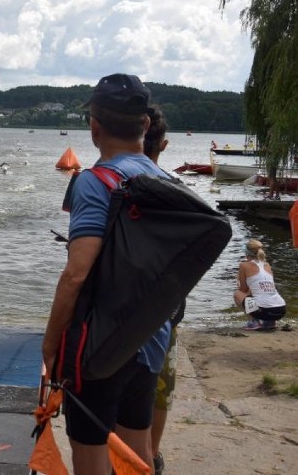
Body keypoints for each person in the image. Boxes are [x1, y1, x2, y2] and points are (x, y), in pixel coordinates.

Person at [43, 73, 171, 474]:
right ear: (145, 125)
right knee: (137, 455)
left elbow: (76, 274)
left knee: (91, 453)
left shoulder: (95, 183)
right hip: (150, 338)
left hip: (95, 347)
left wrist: (50, 346)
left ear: (94, 127)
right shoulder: (167, 181)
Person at [143, 105, 180, 475]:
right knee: (159, 386)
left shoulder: (99, 181)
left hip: (113, 308)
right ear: (165, 145)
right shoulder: (178, 190)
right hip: (166, 309)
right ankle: (150, 456)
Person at [234, 239, 286, 331]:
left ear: (246, 252)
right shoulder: (267, 265)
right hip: (280, 310)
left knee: (237, 294)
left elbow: (243, 290)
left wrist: (238, 281)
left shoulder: (244, 265)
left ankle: (253, 322)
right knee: (262, 295)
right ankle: (270, 322)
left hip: (264, 311)